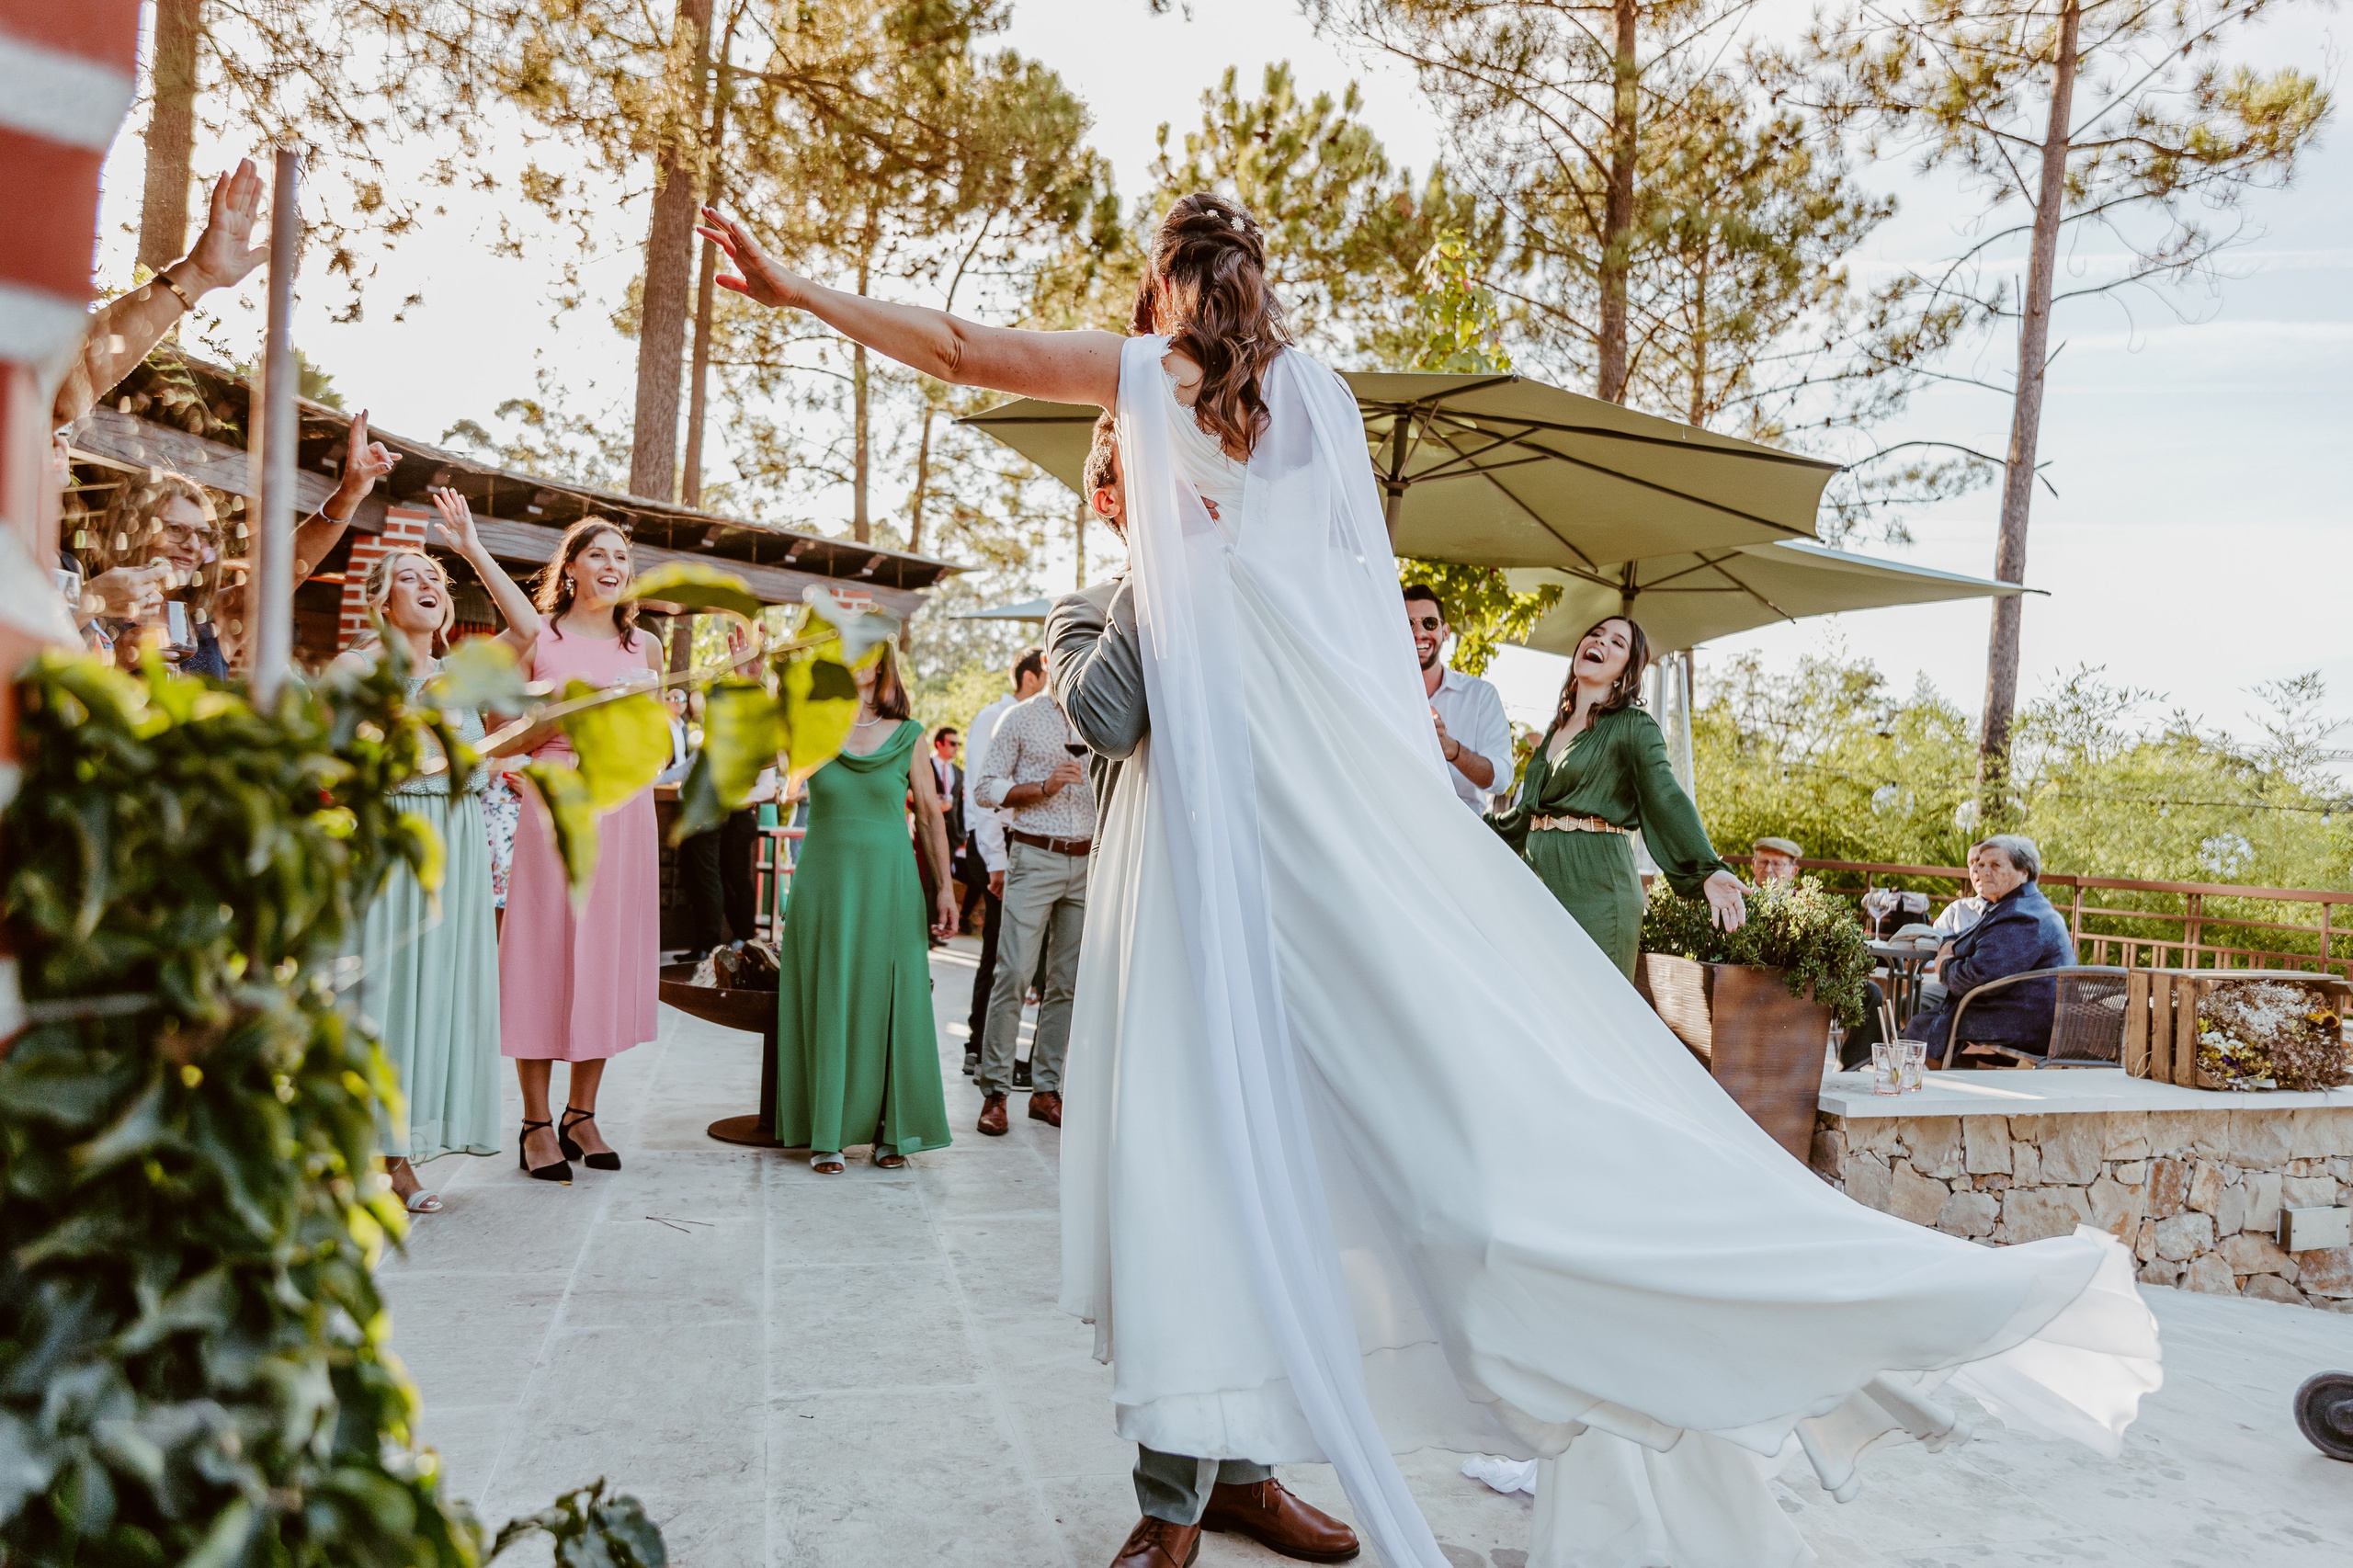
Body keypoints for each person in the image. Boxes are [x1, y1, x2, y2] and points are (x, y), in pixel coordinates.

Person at [700, 193, 2158, 1568]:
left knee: (1324, 1110)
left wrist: (793, 286)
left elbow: (961, 347)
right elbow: (1320, 631)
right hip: (1305, 802)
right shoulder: (1312, 404)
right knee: (1235, 1121)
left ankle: (1280, 1439)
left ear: (1159, 295)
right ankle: (1208, 1458)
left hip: (1235, 826)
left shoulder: (1149, 377)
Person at [443, 499, 662, 1182]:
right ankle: (535, 1121)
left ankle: (582, 1111)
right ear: (570, 569)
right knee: (544, 948)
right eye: (599, 554)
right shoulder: (539, 636)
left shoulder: (644, 647)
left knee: (606, 951)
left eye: (622, 557)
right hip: (555, 801)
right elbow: (499, 731)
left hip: (624, 809)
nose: (613, 566)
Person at [331, 547, 503, 1212]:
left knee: (433, 995)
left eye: (436, 577)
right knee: (381, 995)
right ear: (381, 600)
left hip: (456, 848)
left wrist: (472, 549)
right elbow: (331, 765)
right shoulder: (355, 668)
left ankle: (404, 1151)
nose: (428, 583)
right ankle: (365, 1154)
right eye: (410, 576)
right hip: (388, 841)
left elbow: (524, 631)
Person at [771, 642, 959, 1172]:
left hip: (891, 884)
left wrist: (944, 887)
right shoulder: (811, 726)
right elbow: (769, 767)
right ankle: (825, 1132)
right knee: (831, 991)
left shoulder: (911, 735)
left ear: (882, 661)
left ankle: (889, 1131)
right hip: (825, 885)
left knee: (889, 998)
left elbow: (929, 816)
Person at [1490, 615, 1748, 979]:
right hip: (1539, 885)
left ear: (1626, 670)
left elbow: (1667, 797)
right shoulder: (1554, 731)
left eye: (1617, 642)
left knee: (1591, 1017)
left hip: (1598, 890)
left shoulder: (1633, 726)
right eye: (1596, 634)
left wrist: (1705, 869)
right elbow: (1523, 817)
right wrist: (1456, 818)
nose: (1601, 642)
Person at [971, 665, 1094, 1135]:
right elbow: (986, 789)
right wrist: (1045, 786)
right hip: (1035, 854)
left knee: (1066, 983)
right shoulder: (1019, 718)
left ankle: (1045, 1091)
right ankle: (995, 1093)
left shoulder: (1100, 717)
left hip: (1086, 863)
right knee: (1015, 973)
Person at [1915, 835, 2077, 1066]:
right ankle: (1945, 1084)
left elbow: (1977, 977)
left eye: (1995, 865)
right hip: (2023, 1011)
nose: (1983, 872)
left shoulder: (2022, 917)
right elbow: (1971, 943)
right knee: (1931, 1018)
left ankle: (1929, 1089)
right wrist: (1951, 945)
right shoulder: (2019, 905)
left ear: (2024, 872)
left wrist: (1944, 966)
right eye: (1980, 865)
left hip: (2027, 1022)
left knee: (1926, 1025)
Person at [960, 652, 1042, 1076]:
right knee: (998, 948)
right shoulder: (994, 717)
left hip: (1019, 843)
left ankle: (1001, 1050)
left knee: (1014, 949)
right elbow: (984, 791)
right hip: (996, 844)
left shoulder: (1042, 719)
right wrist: (996, 860)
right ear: (1030, 678)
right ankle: (980, 1046)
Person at [1751, 836, 1891, 1068]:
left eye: (1777, 864)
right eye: (1763, 862)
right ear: (1752, 864)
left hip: (1810, 984)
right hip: (1759, 984)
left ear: (1793, 871)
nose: (1769, 870)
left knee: (1869, 993)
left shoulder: (1809, 903)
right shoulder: (1737, 897)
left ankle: (1849, 1069)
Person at [1404, 584, 1513, 812]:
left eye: (1429, 623)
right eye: (1408, 624)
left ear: (1445, 631)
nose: (1419, 633)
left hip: (1459, 831)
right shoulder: (1380, 691)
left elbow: (1500, 780)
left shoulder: (1480, 695)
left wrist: (1451, 749)